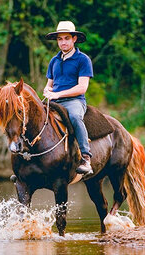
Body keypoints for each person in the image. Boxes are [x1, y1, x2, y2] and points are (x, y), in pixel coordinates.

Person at [43, 21, 93, 174]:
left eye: (66, 38)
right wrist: (47, 91)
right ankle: (27, 160)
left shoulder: (83, 59)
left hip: (74, 101)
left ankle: (86, 157)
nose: (63, 42)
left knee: (75, 118)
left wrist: (58, 94)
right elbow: (49, 84)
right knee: (31, 117)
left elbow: (82, 87)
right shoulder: (54, 61)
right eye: (60, 39)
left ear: (74, 39)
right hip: (54, 101)